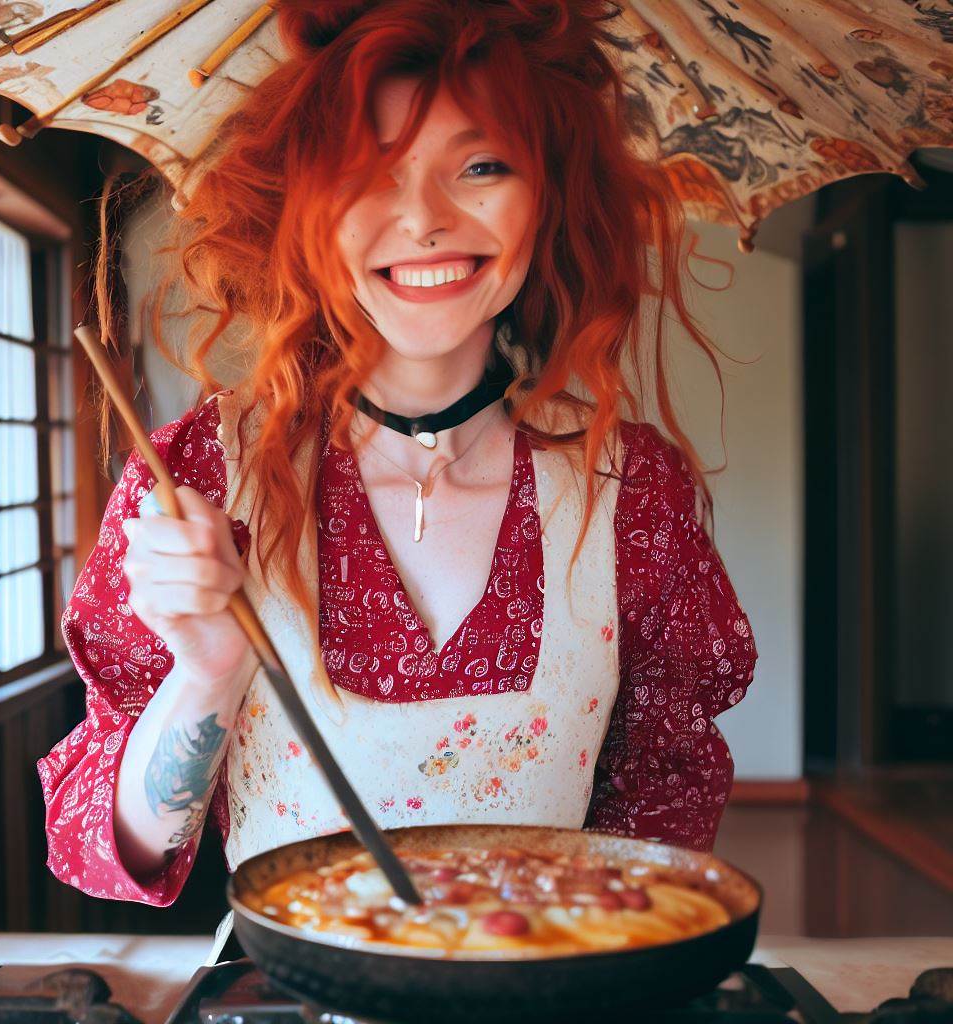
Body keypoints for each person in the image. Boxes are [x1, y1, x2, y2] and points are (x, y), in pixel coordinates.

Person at [38, 0, 758, 906]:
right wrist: (208, 667)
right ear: (306, 207)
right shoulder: (198, 476)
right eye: (364, 172)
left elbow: (656, 841)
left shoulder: (633, 493)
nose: (422, 219)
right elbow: (109, 856)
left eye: (482, 165)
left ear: (549, 194)